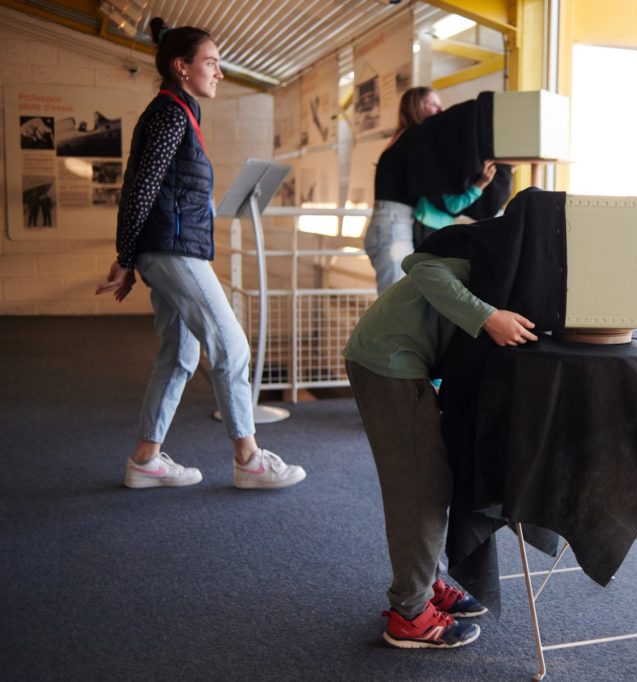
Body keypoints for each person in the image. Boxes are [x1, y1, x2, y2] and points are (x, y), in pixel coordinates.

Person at [95, 18, 306, 491]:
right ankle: (248, 458)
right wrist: (126, 256)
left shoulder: (179, 111)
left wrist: (130, 255)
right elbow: (142, 187)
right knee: (232, 344)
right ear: (181, 67)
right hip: (171, 250)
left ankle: (145, 459)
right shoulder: (171, 112)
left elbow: (146, 186)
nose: (219, 72)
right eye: (210, 62)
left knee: (179, 354)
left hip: (168, 248)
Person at [343, 251, 538, 648]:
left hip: (394, 361)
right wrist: (488, 317)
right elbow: (423, 267)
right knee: (419, 490)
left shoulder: (507, 267)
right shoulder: (481, 258)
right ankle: (410, 615)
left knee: (430, 481)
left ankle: (426, 585)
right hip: (389, 363)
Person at [363, 86, 499, 293]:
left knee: (395, 298)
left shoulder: (400, 138)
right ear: (417, 107)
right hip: (393, 227)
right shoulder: (416, 137)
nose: (440, 109)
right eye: (433, 104)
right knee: (394, 301)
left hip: (385, 225)